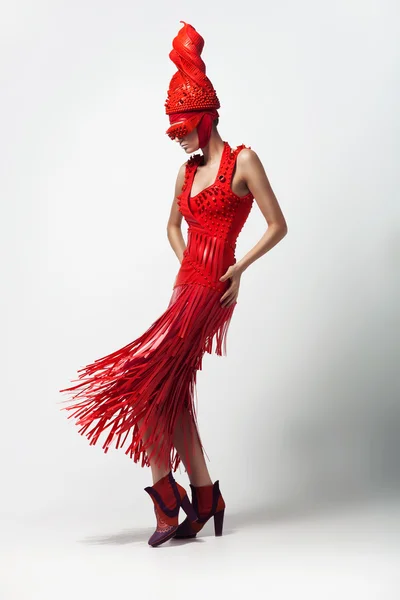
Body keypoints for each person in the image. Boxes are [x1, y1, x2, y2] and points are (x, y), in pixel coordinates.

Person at [59, 20, 287, 547]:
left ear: (206, 118)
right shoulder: (186, 174)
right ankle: (203, 494)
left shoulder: (243, 162)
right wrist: (189, 266)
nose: (179, 136)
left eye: (184, 126)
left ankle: (167, 497)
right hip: (185, 288)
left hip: (213, 291)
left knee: (148, 388)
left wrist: (235, 269)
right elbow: (170, 226)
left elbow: (278, 225)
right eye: (174, 129)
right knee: (168, 393)